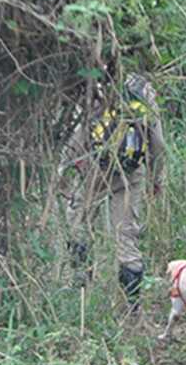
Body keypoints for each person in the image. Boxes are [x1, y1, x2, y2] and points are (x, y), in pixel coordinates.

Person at [59, 73, 165, 311]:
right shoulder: (143, 89)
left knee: (78, 225)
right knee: (127, 237)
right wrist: (155, 178)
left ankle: (80, 288)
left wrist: (66, 169)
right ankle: (132, 306)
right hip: (131, 172)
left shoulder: (93, 84)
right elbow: (157, 141)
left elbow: (77, 135)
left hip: (92, 170)